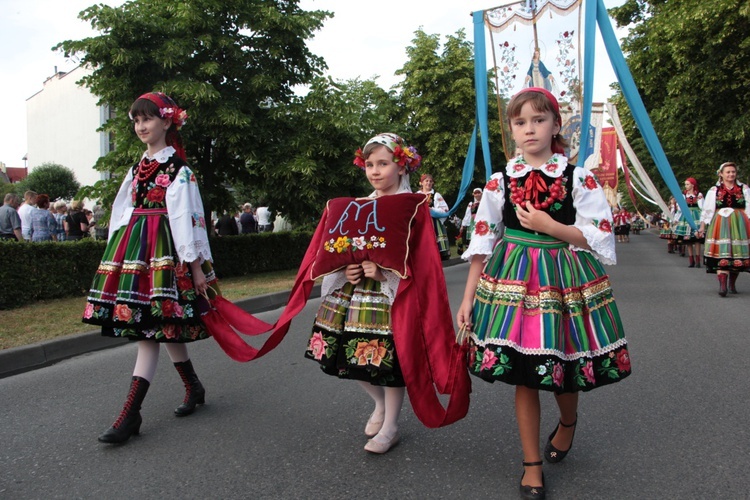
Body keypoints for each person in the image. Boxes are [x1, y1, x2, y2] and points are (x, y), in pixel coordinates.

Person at [456, 88, 630, 499]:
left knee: (561, 365)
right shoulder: (500, 181)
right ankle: (531, 464)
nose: (529, 129)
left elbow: (599, 237)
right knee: (526, 372)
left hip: (562, 276)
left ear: (555, 125)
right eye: (520, 122)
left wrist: (551, 227)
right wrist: (467, 300)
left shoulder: (576, 177)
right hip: (512, 279)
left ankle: (567, 422)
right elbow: (483, 241)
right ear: (512, 131)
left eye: (538, 120)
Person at [302, 133, 470, 454]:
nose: (375, 171)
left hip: (392, 297)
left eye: (384, 163)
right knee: (348, 357)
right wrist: (346, 271)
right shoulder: (356, 207)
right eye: (369, 164)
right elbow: (340, 249)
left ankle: (391, 425)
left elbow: (421, 259)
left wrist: (384, 273)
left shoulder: (413, 207)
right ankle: (379, 404)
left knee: (388, 361)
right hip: (355, 294)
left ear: (402, 166)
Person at [82, 92, 219, 444]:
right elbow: (121, 212)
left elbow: (188, 219)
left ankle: (130, 414)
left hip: (165, 254)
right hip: (137, 254)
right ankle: (194, 386)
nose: (142, 126)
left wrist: (195, 266)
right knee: (162, 326)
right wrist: (117, 253)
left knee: (151, 331)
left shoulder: (178, 169)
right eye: (137, 121)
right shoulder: (136, 168)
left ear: (167, 121)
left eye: (148, 119)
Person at [699, 162, 750, 296]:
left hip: (739, 222)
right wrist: (703, 225)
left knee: (736, 252)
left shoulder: (743, 188)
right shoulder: (714, 190)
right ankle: (723, 285)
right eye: (728, 172)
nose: (731, 174)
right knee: (722, 251)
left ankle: (732, 283)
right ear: (721, 174)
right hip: (720, 222)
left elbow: (749, 206)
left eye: (733, 172)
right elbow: (708, 209)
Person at [418, 173, 451, 260]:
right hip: (421, 223)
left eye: (430, 181)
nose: (428, 183)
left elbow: (445, 210)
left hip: (434, 223)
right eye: (426, 181)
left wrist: (432, 210)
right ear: (421, 183)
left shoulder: (436, 195)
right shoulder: (416, 196)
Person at [673, 178, 704, 268]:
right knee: (688, 240)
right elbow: (680, 208)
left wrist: (703, 219)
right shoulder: (683, 195)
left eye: (687, 184)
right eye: (685, 184)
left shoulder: (698, 194)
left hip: (696, 216)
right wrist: (676, 218)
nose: (686, 186)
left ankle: (698, 260)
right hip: (686, 217)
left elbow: (702, 207)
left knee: (697, 239)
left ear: (693, 185)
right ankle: (691, 260)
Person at [460, 188, 483, 252]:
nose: (477, 195)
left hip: (482, 222)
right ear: (473, 194)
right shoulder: (471, 204)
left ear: (482, 194)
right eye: (476, 193)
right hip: (473, 223)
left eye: (479, 193)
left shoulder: (484, 203)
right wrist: (463, 225)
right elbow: (467, 215)